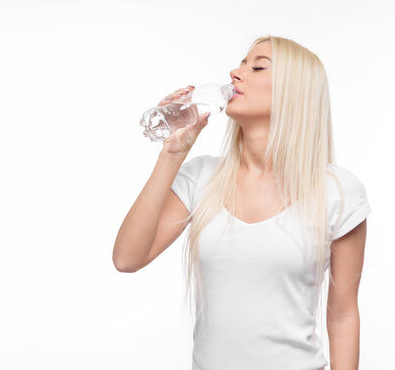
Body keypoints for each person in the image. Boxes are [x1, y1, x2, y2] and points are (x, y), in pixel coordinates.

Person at [113, 35, 372, 370]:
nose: (235, 72)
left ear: (295, 91)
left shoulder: (338, 191)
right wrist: (171, 155)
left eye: (258, 66)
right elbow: (127, 258)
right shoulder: (201, 177)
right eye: (241, 63)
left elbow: (342, 314)